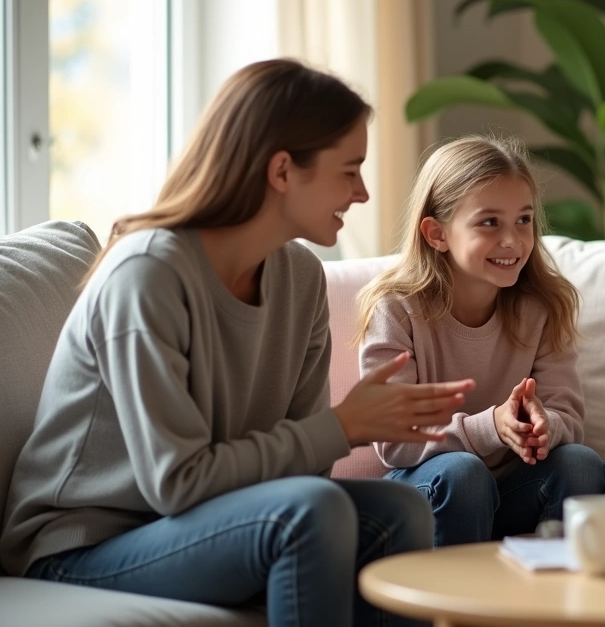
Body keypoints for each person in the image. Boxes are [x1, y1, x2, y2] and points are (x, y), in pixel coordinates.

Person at [0, 59, 476, 627]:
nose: (364, 192)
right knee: (311, 513)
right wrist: (344, 426)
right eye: (349, 170)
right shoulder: (148, 276)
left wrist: (335, 433)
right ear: (282, 171)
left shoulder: (300, 280)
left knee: (399, 510)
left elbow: (303, 474)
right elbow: (177, 483)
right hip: (82, 546)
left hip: (200, 524)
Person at [356, 134, 605, 547]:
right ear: (436, 234)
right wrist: (490, 426)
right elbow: (394, 439)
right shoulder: (396, 308)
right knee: (464, 473)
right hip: (430, 489)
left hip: (508, 491)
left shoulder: (542, 306)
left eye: (523, 220)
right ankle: (460, 607)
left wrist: (542, 426)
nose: (512, 240)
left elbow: (568, 416)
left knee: (580, 464)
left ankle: (555, 601)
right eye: (489, 222)